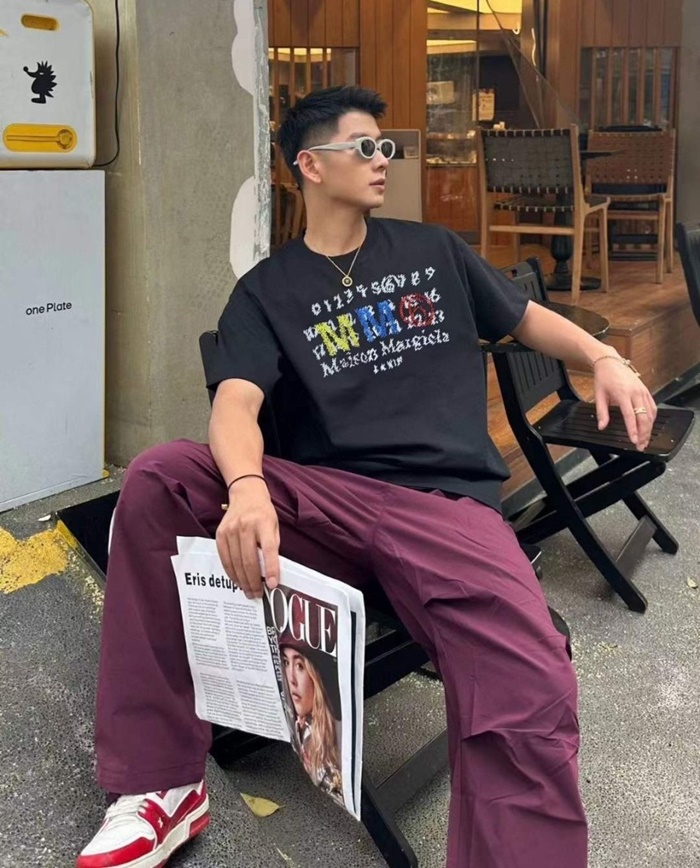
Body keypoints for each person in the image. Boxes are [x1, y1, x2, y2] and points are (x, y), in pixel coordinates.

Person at [77, 85, 657, 868]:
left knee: (528, 678)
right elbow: (236, 403)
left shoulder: (434, 251)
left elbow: (525, 319)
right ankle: (161, 785)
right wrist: (247, 488)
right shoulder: (266, 293)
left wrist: (604, 357)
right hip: (329, 508)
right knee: (162, 478)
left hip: (447, 509)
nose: (384, 159)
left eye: (387, 147)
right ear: (310, 166)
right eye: (365, 147)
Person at [280, 641, 344, 807]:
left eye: (300, 666)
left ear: (316, 675)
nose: (291, 679)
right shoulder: (301, 727)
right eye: (286, 663)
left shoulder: (337, 734)